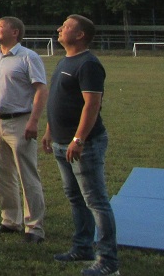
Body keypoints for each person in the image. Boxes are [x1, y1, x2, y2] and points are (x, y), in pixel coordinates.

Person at [42, 16, 119, 276]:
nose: (59, 28)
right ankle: (82, 247)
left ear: (81, 35)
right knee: (76, 198)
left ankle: (108, 260)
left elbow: (92, 104)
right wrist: (49, 131)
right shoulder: (65, 60)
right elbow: (60, 99)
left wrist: (79, 139)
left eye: (66, 26)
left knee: (95, 200)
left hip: (83, 145)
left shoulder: (88, 64)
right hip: (62, 143)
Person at [0, 16, 47, 243]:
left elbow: (41, 90)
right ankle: (10, 221)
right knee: (3, 175)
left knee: (27, 175)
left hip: (21, 122)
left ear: (15, 32)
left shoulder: (28, 57)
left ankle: (34, 227)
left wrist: (34, 121)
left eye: (0, 27)